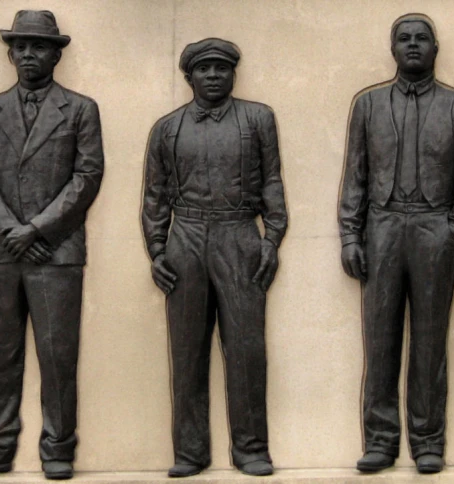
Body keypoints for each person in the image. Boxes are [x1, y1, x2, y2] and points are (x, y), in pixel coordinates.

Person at [0, 10, 104, 481]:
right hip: (2, 253)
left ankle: (58, 448)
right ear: (9, 53)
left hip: (55, 253)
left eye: (37, 47)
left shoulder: (81, 108)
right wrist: (10, 231)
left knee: (58, 356)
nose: (27, 55)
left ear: (56, 54)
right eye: (19, 47)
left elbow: (88, 176)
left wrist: (38, 230)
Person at [339, 13, 454, 474]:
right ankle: (380, 441)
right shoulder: (367, 105)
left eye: (422, 38)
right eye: (404, 39)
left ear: (436, 48)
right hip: (381, 228)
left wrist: (452, 228)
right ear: (393, 49)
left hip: (434, 228)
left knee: (429, 341)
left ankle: (427, 441)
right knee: (379, 338)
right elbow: (355, 177)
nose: (413, 45)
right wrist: (350, 234)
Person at [142, 38, 287, 478]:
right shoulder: (167, 128)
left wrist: (272, 238)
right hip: (184, 238)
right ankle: (190, 451)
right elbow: (154, 196)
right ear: (189, 77)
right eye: (203, 69)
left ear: (233, 74)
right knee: (187, 351)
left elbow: (273, 182)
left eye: (221, 68)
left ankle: (251, 449)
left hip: (239, 234)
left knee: (246, 349)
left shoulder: (258, 118)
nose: (212, 75)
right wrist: (156, 248)